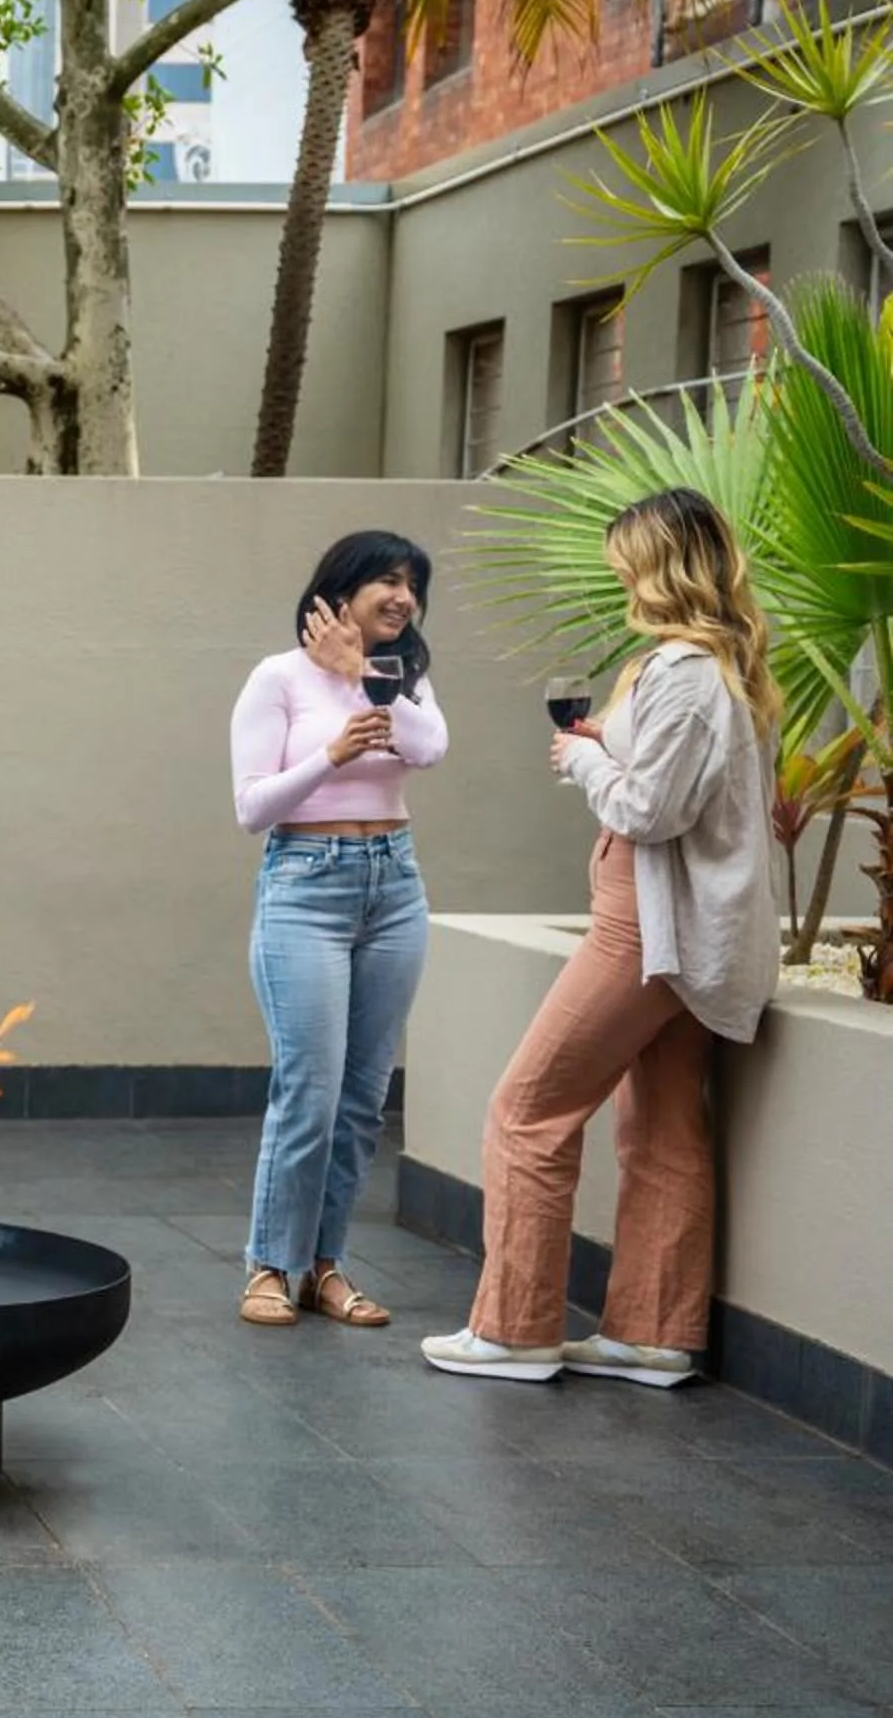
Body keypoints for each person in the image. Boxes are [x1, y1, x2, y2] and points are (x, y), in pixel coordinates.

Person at [424, 487, 778, 1386]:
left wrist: (585, 758)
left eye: (629, 561)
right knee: (659, 1126)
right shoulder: (698, 668)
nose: (619, 575)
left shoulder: (688, 674)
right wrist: (602, 746)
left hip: (646, 929)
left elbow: (651, 810)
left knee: (526, 1110)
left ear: (662, 566)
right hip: (678, 926)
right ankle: (651, 1334)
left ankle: (516, 1330)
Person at [229, 531, 449, 1329]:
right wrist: (329, 754)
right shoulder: (277, 678)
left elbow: (431, 749)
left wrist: (363, 679)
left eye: (413, 586)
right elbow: (252, 807)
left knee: (362, 1099)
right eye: (387, 581)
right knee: (310, 1092)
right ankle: (269, 1265)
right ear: (342, 589)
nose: (403, 597)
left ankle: (325, 1266)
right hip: (306, 886)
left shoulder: (401, 675)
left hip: (394, 885)